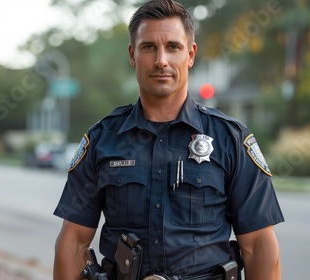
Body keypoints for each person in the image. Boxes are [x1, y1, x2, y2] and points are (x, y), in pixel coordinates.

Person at [53, 0, 285, 279]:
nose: (161, 60)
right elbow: (74, 241)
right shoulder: (102, 140)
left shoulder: (231, 139)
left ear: (190, 54)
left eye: (173, 47)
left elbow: (259, 245)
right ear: (132, 54)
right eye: (148, 47)